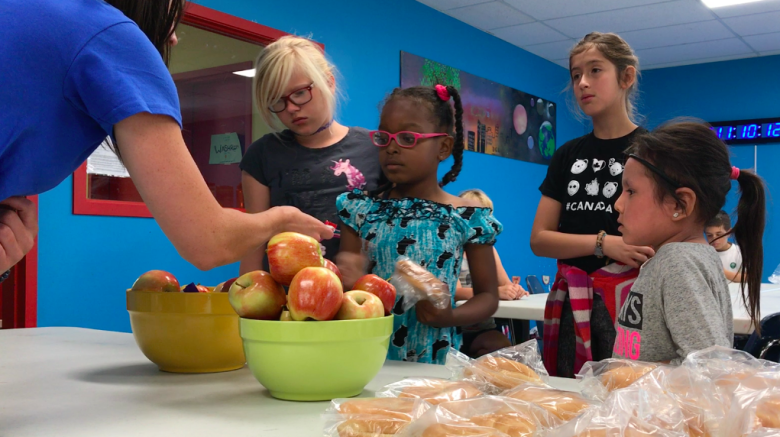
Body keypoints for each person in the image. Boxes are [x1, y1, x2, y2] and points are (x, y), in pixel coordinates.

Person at [0, 0, 333, 276]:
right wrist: (282, 219)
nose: (173, 38)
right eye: (176, 11)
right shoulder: (111, 35)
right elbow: (208, 242)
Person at [336, 85, 501, 364]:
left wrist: (451, 316)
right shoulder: (360, 210)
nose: (392, 147)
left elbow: (488, 297)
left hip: (436, 362)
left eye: (407, 138)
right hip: (369, 360)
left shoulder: (467, 217)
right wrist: (348, 274)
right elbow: (350, 284)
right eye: (384, 137)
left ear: (444, 147)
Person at [530, 32, 654, 377]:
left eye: (595, 70)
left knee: (625, 390)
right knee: (571, 393)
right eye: (575, 75)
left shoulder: (652, 151)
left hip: (633, 300)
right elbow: (540, 239)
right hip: (573, 300)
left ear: (626, 77)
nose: (583, 83)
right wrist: (605, 243)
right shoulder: (567, 155)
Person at [612, 121, 765, 363]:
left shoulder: (678, 263)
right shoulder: (677, 259)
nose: (617, 204)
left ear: (679, 205)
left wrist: (632, 377)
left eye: (630, 192)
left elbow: (712, 369)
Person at [238, 36, 383, 274]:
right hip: (284, 300)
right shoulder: (262, 155)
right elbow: (253, 247)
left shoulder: (375, 147)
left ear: (329, 82)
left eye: (300, 93)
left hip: (367, 300)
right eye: (277, 100)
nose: (292, 108)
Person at [455, 189, 528, 358]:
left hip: (483, 328)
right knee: (498, 349)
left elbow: (505, 284)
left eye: (487, 217)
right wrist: (494, 293)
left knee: (506, 351)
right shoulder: (452, 248)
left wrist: (514, 290)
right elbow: (456, 292)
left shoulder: (488, 250)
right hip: (455, 329)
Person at [705, 210, 744, 282]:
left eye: (719, 234)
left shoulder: (740, 252)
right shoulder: (703, 254)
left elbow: (749, 278)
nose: (714, 239)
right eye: (709, 235)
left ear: (729, 232)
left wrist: (721, 271)